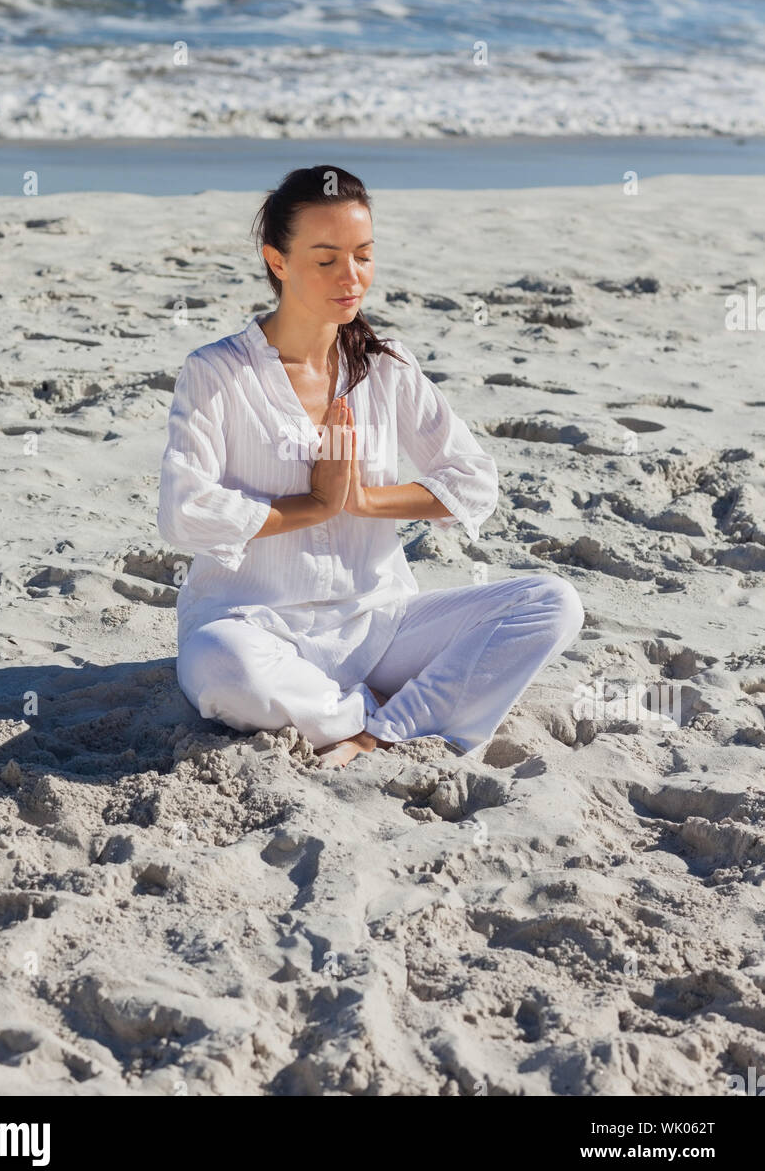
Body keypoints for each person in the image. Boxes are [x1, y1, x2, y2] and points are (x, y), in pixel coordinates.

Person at [157, 165, 584, 768]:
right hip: (254, 624)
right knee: (225, 673)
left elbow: (473, 478)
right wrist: (315, 506)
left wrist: (362, 500)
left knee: (553, 602)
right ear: (277, 261)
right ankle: (382, 715)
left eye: (363, 255)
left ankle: (379, 726)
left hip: (378, 625)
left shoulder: (385, 365)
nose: (351, 277)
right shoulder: (217, 372)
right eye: (326, 259)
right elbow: (183, 512)